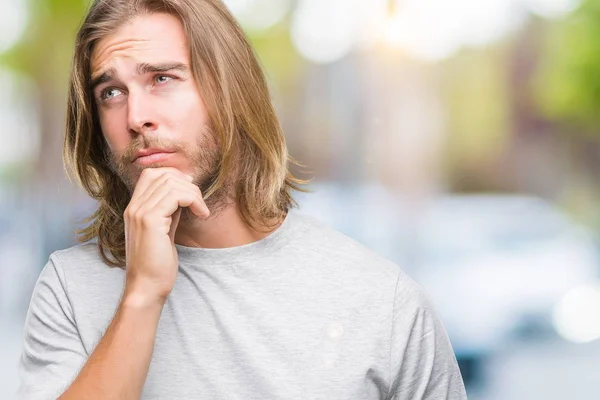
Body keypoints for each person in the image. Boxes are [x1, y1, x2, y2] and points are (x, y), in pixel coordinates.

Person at [17, 0, 467, 399]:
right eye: (111, 93)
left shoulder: (382, 302)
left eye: (162, 78)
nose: (137, 117)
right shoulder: (69, 290)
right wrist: (142, 294)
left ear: (233, 90)